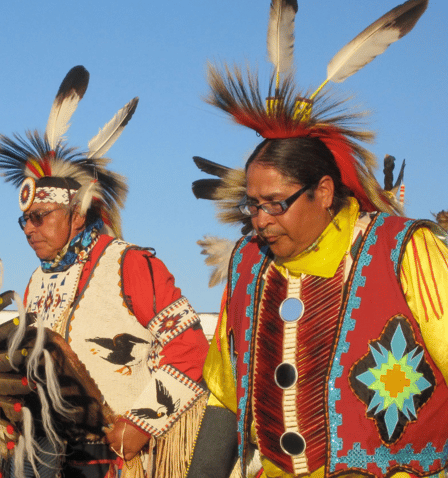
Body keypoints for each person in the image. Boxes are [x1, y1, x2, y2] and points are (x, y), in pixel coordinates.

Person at [187, 1, 447, 476]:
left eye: (275, 203)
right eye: (253, 204)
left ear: (323, 192)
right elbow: (225, 394)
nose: (260, 220)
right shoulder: (249, 266)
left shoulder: (402, 252)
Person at [0, 65, 209, 478]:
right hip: (52, 454)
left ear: (78, 214)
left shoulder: (130, 264)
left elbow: (190, 348)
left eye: (41, 216)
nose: (29, 229)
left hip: (124, 456)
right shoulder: (38, 281)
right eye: (24, 221)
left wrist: (141, 421)